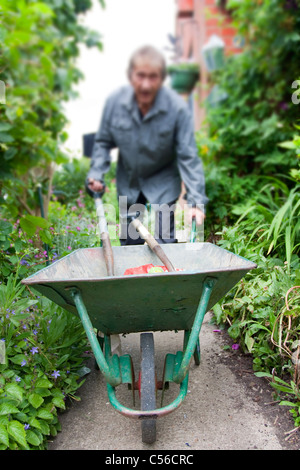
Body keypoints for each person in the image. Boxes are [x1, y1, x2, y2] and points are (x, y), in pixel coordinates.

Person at [87, 45, 208, 245]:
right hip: (130, 180)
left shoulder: (176, 109)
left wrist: (195, 202)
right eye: (140, 75)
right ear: (130, 76)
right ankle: (134, 276)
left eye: (153, 77)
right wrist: (96, 172)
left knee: (163, 242)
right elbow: (103, 142)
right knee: (130, 243)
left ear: (161, 79)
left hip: (163, 178)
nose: (145, 84)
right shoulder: (115, 104)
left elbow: (188, 155)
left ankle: (162, 276)